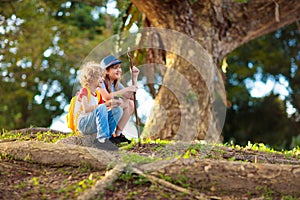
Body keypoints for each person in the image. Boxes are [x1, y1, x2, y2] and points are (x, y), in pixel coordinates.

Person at [76, 61, 123, 150]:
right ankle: (101, 140)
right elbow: (86, 109)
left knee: (118, 110)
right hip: (84, 124)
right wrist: (105, 104)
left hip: (92, 122)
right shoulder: (85, 91)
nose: (102, 79)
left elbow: (100, 112)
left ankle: (108, 139)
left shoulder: (96, 94)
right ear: (92, 78)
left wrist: (112, 105)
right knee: (102, 106)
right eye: (100, 77)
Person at [99, 55, 139, 144]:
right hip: (100, 118)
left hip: (109, 114)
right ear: (106, 71)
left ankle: (117, 135)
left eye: (119, 67)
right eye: (115, 68)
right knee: (120, 102)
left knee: (130, 103)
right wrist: (126, 90)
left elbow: (132, 96)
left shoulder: (115, 84)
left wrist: (134, 78)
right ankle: (107, 135)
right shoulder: (100, 81)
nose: (119, 70)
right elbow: (107, 97)